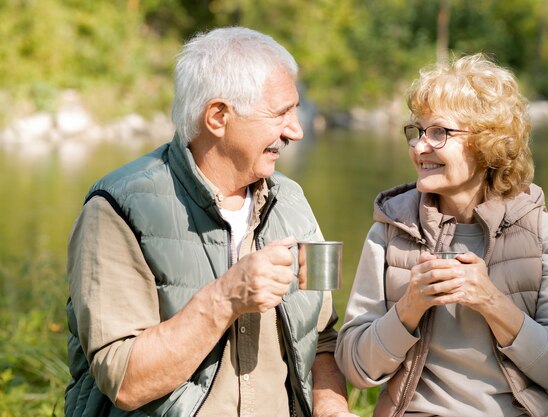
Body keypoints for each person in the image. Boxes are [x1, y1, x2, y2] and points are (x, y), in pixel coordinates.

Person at [65, 26, 357, 417]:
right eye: (281, 113)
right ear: (218, 117)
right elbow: (125, 383)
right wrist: (226, 298)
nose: (297, 130)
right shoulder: (113, 208)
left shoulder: (296, 202)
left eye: (295, 109)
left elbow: (324, 337)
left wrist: (331, 408)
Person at [334, 54, 548, 417]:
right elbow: (357, 369)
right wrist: (409, 307)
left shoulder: (546, 234)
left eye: (439, 132)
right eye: (418, 131)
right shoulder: (390, 231)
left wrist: (492, 302)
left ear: (488, 143)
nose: (419, 146)